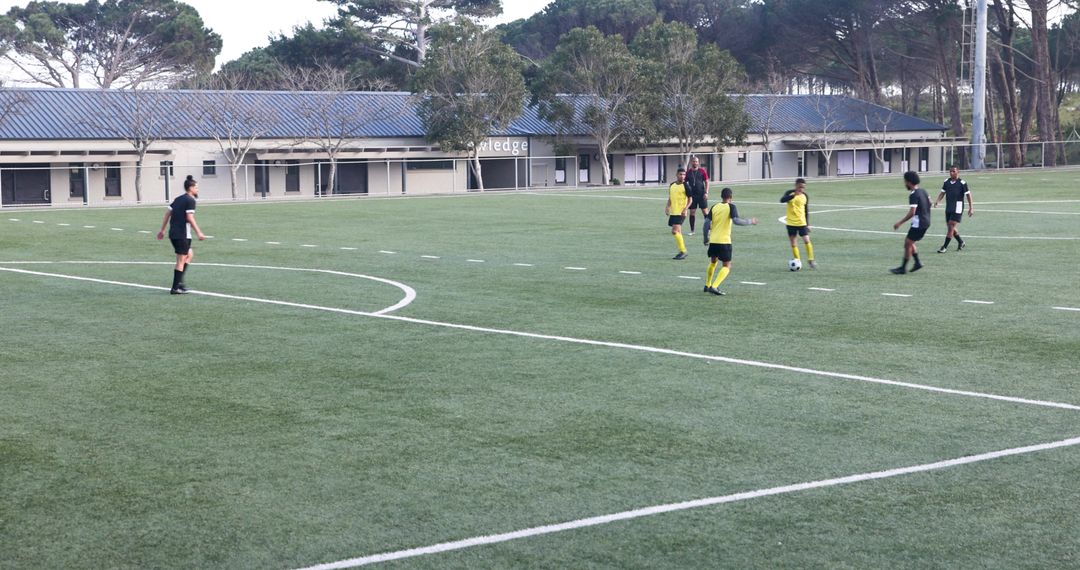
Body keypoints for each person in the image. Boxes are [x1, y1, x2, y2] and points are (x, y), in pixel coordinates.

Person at [703, 187, 757, 295]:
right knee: (727, 266)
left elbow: (706, 224)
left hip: (713, 241)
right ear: (731, 197)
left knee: (713, 262)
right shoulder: (731, 207)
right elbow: (736, 221)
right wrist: (750, 221)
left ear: (721, 196)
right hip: (724, 242)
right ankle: (714, 286)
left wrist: (705, 238)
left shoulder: (714, 207)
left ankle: (707, 285)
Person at [157, 176, 206, 294]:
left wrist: (162, 230)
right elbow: (189, 217)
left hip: (175, 233)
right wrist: (199, 232)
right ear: (190, 188)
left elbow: (167, 213)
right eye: (196, 187)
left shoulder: (178, 199)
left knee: (189, 254)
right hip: (181, 235)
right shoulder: (190, 200)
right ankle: (175, 288)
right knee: (181, 260)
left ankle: (179, 283)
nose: (197, 190)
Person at [890, 171, 930, 275]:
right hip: (925, 221)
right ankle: (917, 263)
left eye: (905, 181)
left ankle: (903, 268)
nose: (905, 184)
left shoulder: (913, 195)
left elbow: (912, 212)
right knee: (909, 242)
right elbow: (930, 203)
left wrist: (900, 223)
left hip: (919, 223)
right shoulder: (923, 191)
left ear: (909, 182)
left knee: (907, 243)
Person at [932, 166, 974, 253]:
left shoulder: (962, 183)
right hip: (949, 207)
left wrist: (971, 208)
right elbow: (942, 193)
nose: (951, 173)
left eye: (953, 171)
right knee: (950, 226)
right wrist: (937, 201)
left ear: (958, 172)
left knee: (951, 226)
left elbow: (968, 195)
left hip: (958, 207)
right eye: (950, 171)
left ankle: (944, 247)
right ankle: (961, 242)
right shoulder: (946, 182)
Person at [779, 178, 816, 269]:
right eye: (800, 187)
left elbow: (806, 210)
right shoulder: (789, 193)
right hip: (791, 223)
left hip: (802, 223)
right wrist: (793, 196)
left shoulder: (805, 196)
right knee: (793, 243)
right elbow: (782, 200)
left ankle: (810, 260)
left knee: (807, 240)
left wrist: (808, 224)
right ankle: (797, 261)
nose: (801, 189)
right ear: (796, 186)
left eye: (803, 187)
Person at [665, 168, 691, 260]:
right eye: (681, 174)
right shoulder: (672, 185)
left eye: (684, 175)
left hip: (681, 212)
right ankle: (682, 251)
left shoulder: (686, 186)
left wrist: (685, 209)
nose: (682, 176)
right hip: (674, 212)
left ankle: (683, 251)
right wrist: (667, 207)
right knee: (678, 232)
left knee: (674, 231)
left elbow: (690, 199)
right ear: (676, 175)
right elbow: (670, 197)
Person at [684, 155, 710, 238]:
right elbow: (685, 183)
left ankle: (708, 229)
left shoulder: (702, 171)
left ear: (698, 163)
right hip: (692, 196)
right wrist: (686, 193)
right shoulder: (688, 172)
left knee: (705, 212)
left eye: (696, 161)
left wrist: (706, 192)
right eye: (693, 161)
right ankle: (692, 231)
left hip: (702, 195)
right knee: (692, 212)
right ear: (691, 162)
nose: (695, 163)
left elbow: (706, 182)